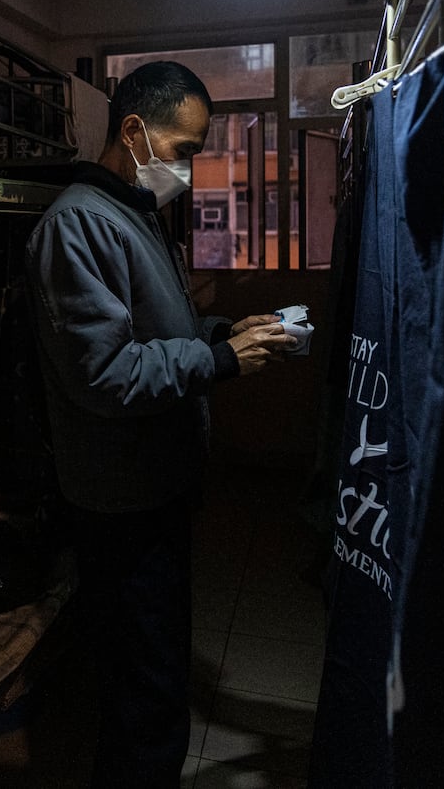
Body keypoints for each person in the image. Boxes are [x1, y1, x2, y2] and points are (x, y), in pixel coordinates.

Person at [25, 60, 292, 788]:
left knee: (159, 671)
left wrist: (220, 328)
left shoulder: (135, 214)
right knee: (146, 693)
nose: (188, 167)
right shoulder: (79, 224)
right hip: (122, 503)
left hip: (158, 487)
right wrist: (220, 360)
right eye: (184, 150)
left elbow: (157, 323)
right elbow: (104, 374)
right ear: (134, 130)